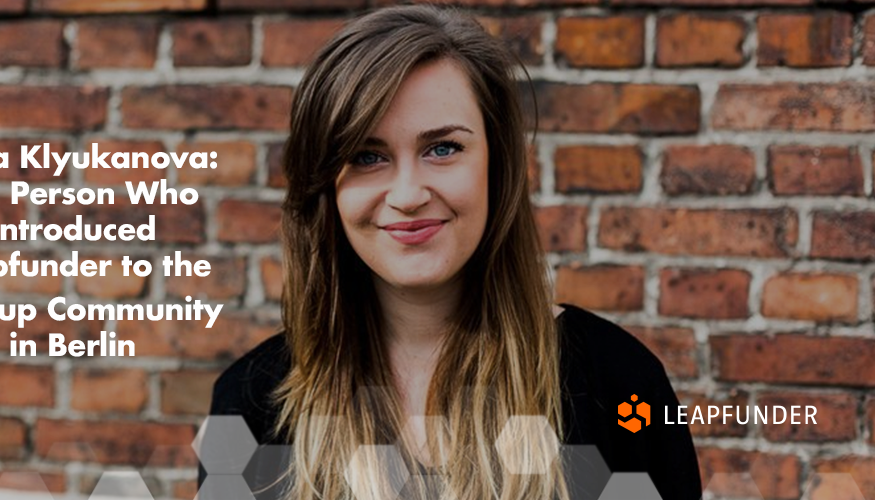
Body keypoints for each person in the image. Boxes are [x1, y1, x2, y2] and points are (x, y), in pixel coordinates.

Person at [201, 4, 701, 500]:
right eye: (366, 156)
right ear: (327, 188)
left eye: (442, 148)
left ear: (496, 165)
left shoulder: (617, 383)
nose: (407, 193)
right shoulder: (250, 403)